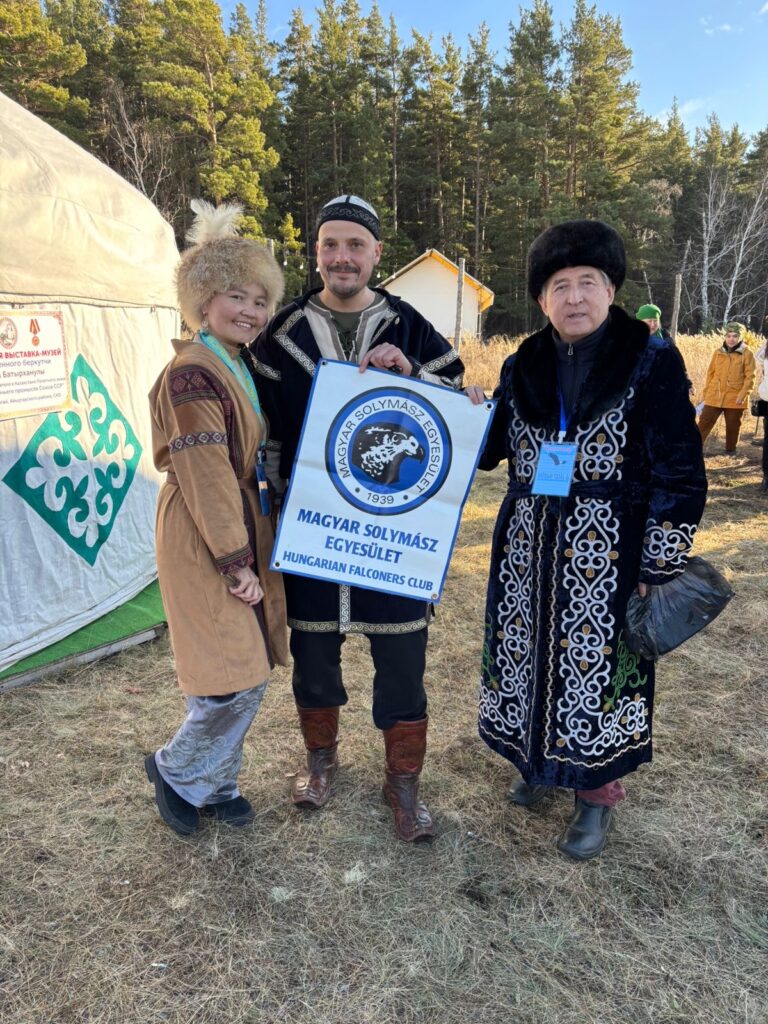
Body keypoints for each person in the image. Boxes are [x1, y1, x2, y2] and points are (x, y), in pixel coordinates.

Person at [475, 220, 707, 860]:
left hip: (611, 552)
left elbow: (681, 471)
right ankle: (536, 762)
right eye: (559, 286)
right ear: (541, 298)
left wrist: (658, 563)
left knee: (597, 670)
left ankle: (596, 793)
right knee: (525, 655)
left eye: (587, 282)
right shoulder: (522, 364)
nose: (574, 297)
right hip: (526, 551)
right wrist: (467, 406)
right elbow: (489, 451)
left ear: (611, 290)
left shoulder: (650, 359)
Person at [252, 194, 464, 842]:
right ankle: (321, 761)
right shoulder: (282, 333)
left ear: (376, 253)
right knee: (314, 654)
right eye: (330, 245)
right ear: (316, 253)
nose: (341, 257)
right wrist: (272, 507)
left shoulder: (410, 326)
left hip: (393, 534)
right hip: (313, 530)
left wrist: (414, 373)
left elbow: (456, 403)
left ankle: (403, 782)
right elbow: (264, 428)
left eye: (354, 245)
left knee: (403, 658)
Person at [144, 200, 288, 835]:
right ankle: (176, 770)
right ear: (204, 302)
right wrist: (236, 563)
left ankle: (216, 783)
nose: (251, 311)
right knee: (231, 675)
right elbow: (204, 472)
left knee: (238, 667)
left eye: (260, 299)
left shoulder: (232, 362)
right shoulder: (192, 375)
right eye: (237, 296)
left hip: (232, 518)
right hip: (203, 530)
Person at [697, 322, 756, 453]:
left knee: (733, 425)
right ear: (725, 336)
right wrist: (706, 394)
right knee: (704, 421)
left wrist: (743, 394)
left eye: (735, 336)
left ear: (740, 337)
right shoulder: (718, 352)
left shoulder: (747, 354)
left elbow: (750, 377)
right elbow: (710, 374)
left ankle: (730, 450)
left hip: (735, 397)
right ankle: (694, 448)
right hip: (714, 394)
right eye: (728, 336)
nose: (731, 339)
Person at [635, 303, 692, 391]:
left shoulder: (666, 339)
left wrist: (687, 383)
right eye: (649, 321)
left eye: (655, 321)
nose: (653, 325)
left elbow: (678, 363)